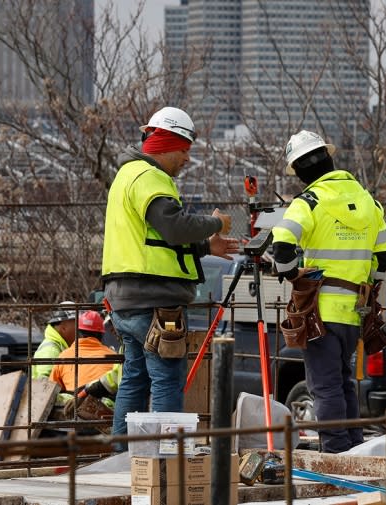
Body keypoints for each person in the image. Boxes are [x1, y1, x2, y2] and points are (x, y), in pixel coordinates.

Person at [101, 106, 239, 443]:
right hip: (154, 301)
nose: (187, 159)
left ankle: (122, 456)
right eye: (184, 150)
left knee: (135, 378)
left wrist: (207, 247)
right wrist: (216, 223)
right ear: (166, 144)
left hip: (126, 298)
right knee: (167, 377)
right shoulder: (151, 178)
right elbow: (175, 227)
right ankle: (166, 459)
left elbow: (155, 244)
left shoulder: (127, 176)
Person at [271, 130, 386, 453]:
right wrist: (368, 283)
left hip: (319, 312)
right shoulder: (367, 200)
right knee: (344, 383)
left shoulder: (309, 201)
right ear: (328, 158)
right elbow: (385, 257)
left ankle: (336, 452)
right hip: (354, 310)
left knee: (324, 386)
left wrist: (290, 274)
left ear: (298, 170)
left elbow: (281, 244)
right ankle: (355, 448)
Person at [50, 310, 118, 409]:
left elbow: (52, 388)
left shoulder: (63, 356)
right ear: (101, 334)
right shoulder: (113, 355)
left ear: (78, 333)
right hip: (104, 407)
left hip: (72, 407)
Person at [32, 301, 78, 379]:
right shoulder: (51, 350)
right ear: (63, 327)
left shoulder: (61, 345)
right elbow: (44, 384)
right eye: (76, 323)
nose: (79, 328)